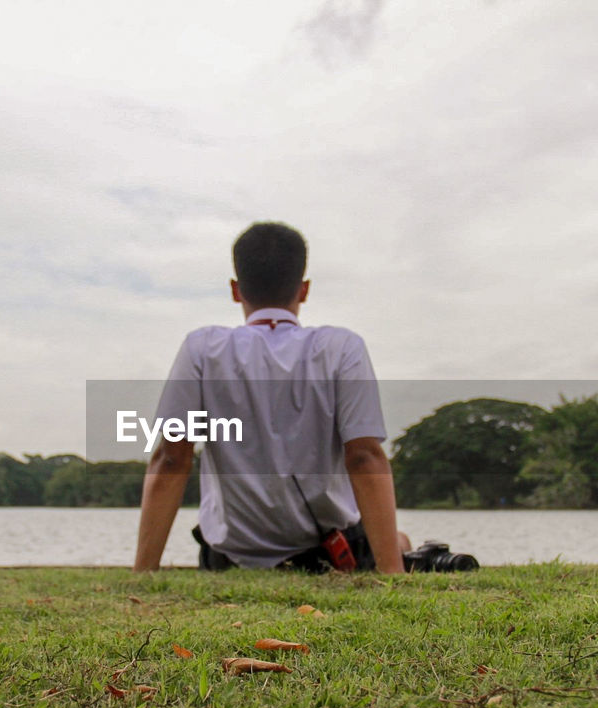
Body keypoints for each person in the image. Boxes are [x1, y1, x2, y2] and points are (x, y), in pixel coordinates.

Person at [132, 221, 410, 574]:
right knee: (402, 541)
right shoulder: (343, 348)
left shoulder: (201, 349)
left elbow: (171, 460)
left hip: (228, 562)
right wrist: (392, 573)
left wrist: (142, 574)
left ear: (236, 290)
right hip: (331, 555)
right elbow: (365, 458)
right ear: (304, 289)